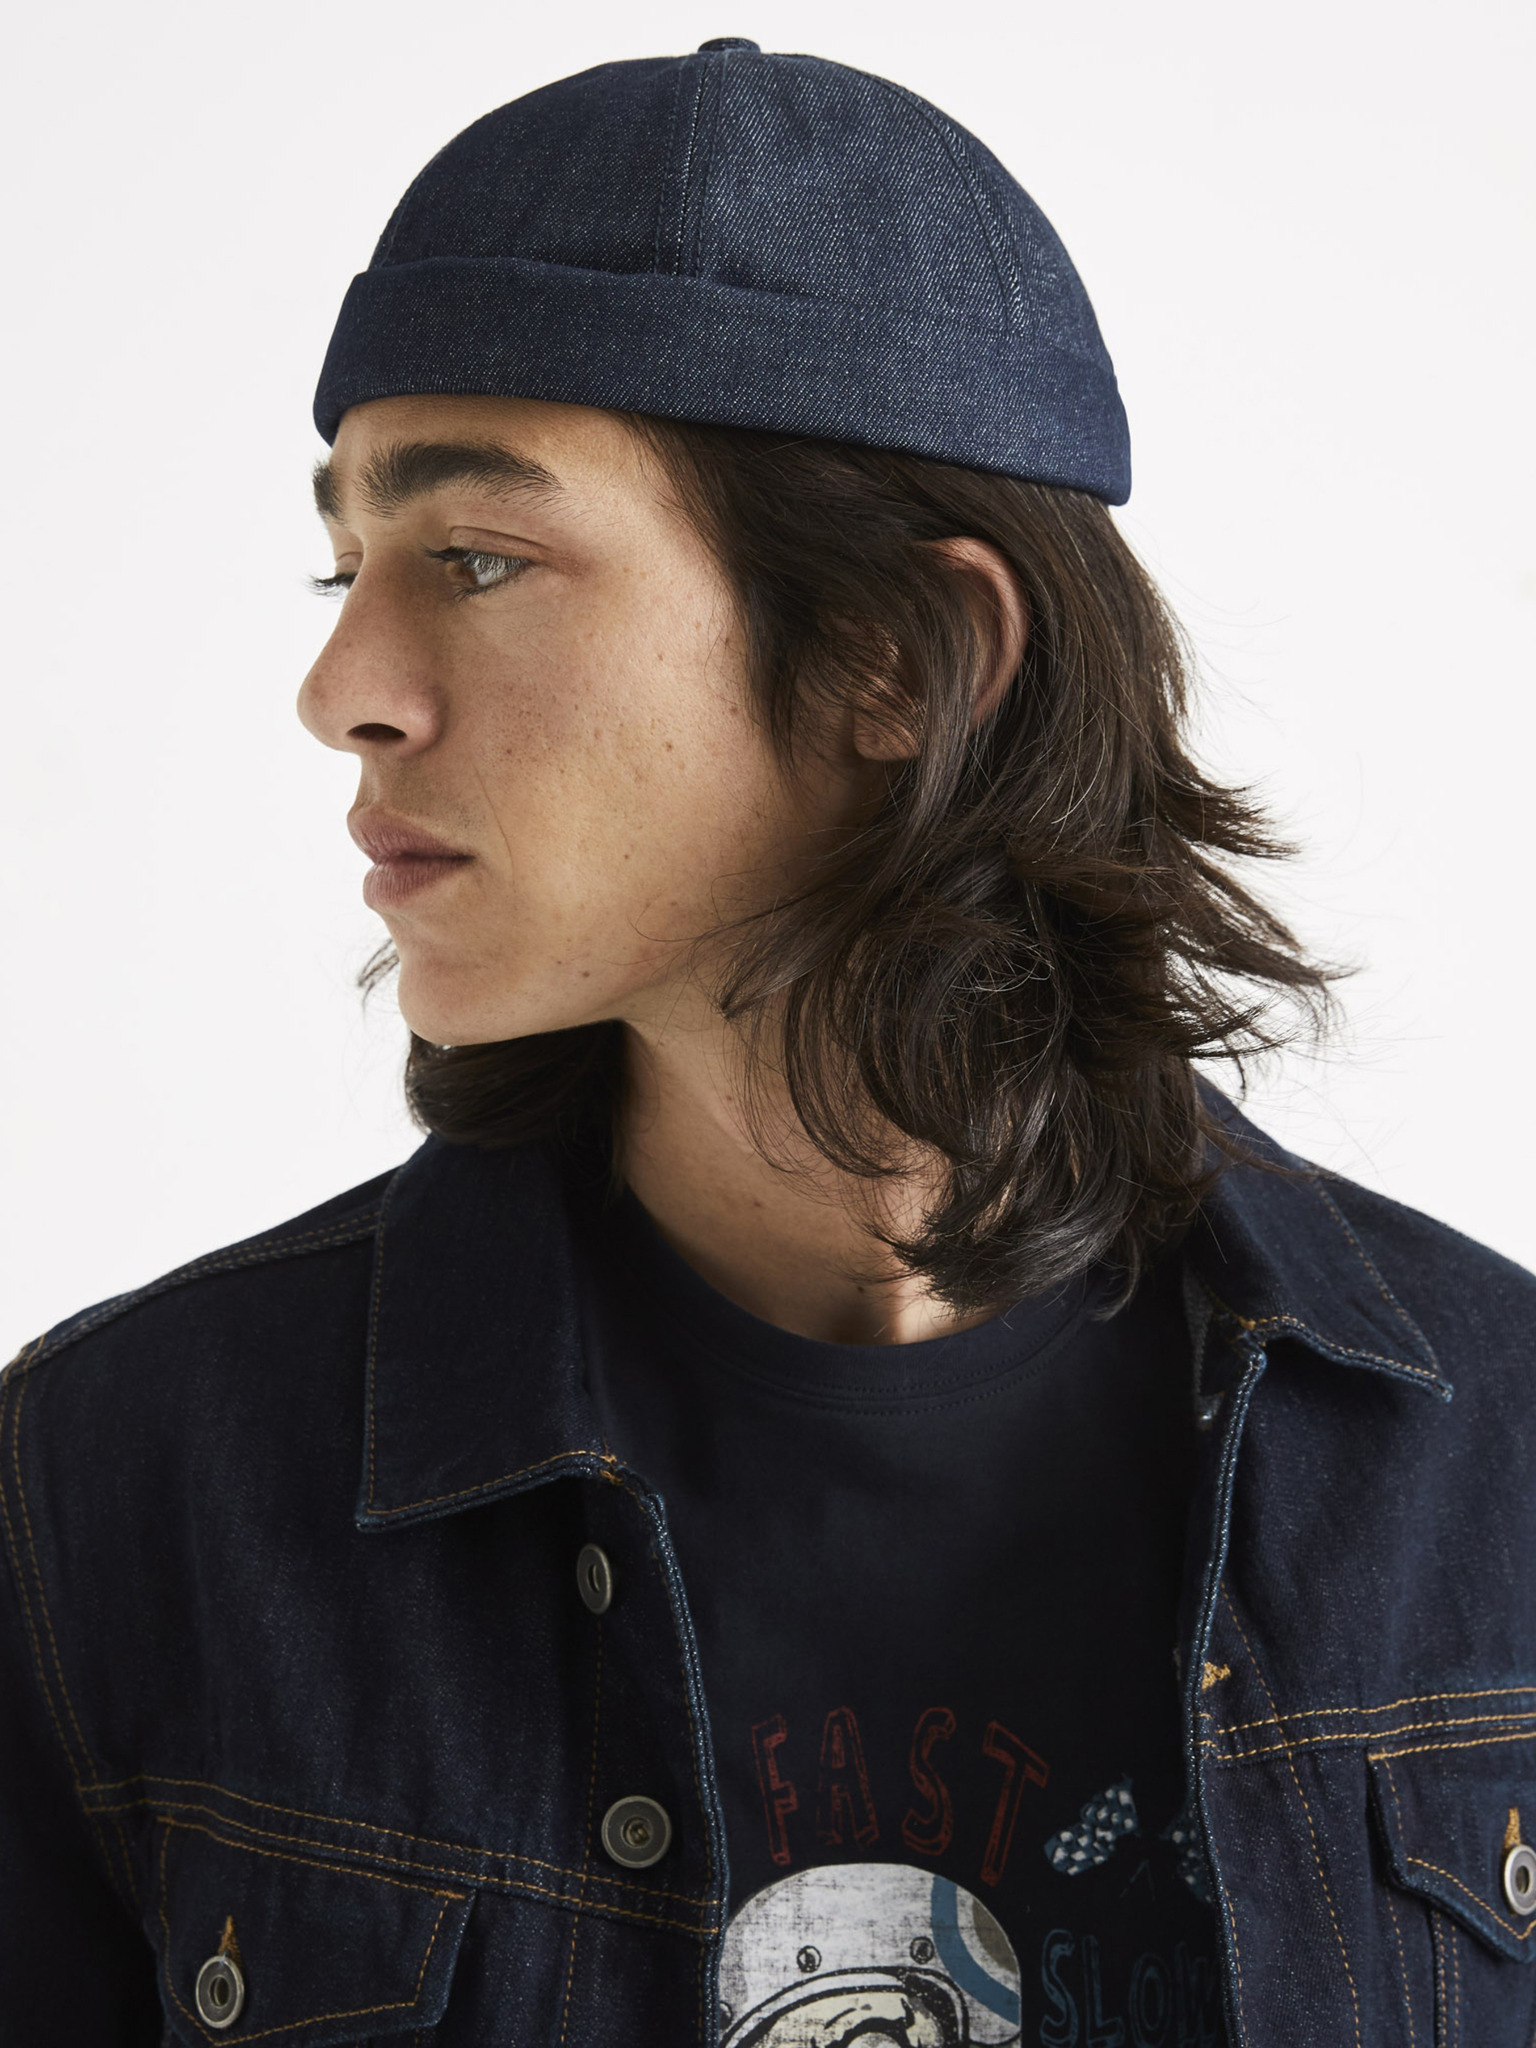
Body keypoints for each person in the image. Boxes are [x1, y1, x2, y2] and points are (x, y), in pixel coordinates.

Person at [2, 36, 1532, 2048]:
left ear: (903, 656)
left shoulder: (1496, 1461)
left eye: (475, 559)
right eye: (344, 561)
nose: (340, 684)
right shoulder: (122, 1483)